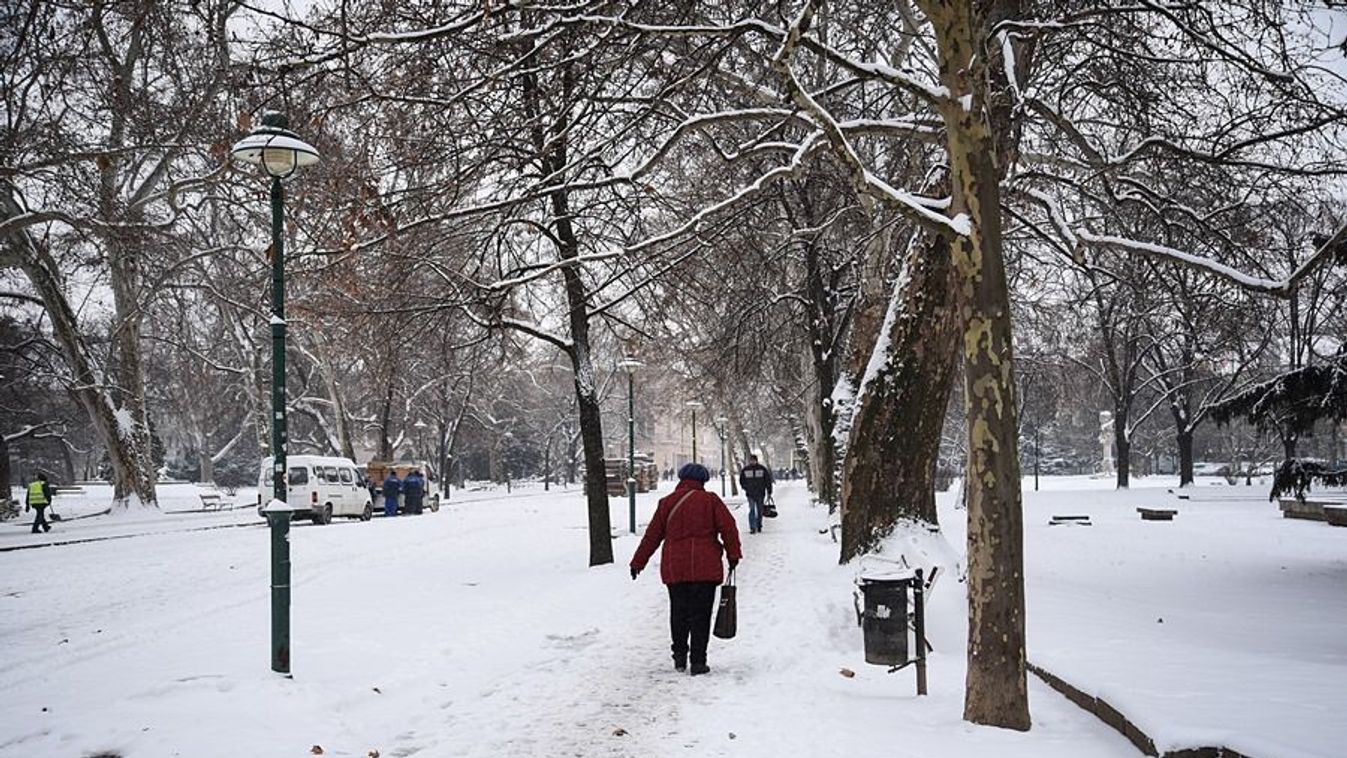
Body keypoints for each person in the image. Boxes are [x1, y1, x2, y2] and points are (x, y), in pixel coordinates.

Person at [631, 462, 742, 676]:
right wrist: (733, 554)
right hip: (705, 567)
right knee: (701, 614)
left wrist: (638, 562)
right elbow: (729, 529)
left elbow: (652, 536)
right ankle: (698, 661)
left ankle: (680, 656)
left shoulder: (666, 503)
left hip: (675, 566)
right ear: (702, 480)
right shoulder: (711, 501)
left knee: (679, 612)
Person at [739, 454, 774, 534]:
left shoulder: (762, 469)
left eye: (753, 460)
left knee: (759, 510)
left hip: (760, 493)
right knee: (751, 510)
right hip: (750, 494)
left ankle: (759, 525)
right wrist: (746, 488)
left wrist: (769, 491)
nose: (752, 461)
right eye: (751, 460)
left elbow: (767, 481)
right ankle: (752, 527)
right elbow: (742, 480)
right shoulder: (745, 470)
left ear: (756, 460)